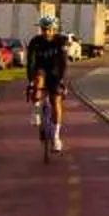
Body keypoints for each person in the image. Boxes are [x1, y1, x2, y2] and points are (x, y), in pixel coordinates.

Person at [26, 18, 71, 158]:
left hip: (55, 72)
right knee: (38, 80)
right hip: (40, 69)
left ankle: (56, 137)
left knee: (56, 101)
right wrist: (30, 81)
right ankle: (36, 112)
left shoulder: (60, 41)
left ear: (54, 30)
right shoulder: (35, 42)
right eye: (44, 29)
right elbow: (31, 62)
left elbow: (63, 63)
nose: (46, 32)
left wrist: (62, 80)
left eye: (49, 30)